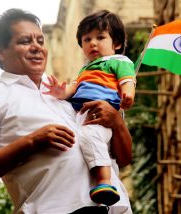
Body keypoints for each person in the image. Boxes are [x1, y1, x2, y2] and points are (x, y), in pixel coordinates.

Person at [0, 8, 132, 214]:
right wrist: (33, 141)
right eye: (25, 41)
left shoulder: (69, 94)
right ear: (0, 51)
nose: (37, 47)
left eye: (40, 41)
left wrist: (117, 122)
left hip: (115, 208)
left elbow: (124, 159)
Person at [42, 10, 135, 206]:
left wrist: (127, 94)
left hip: (102, 116)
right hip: (83, 115)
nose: (93, 43)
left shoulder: (119, 61)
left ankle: (104, 181)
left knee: (91, 135)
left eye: (100, 37)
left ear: (116, 44)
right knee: (84, 138)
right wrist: (60, 91)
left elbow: (128, 80)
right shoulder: (86, 70)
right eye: (87, 39)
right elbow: (73, 88)